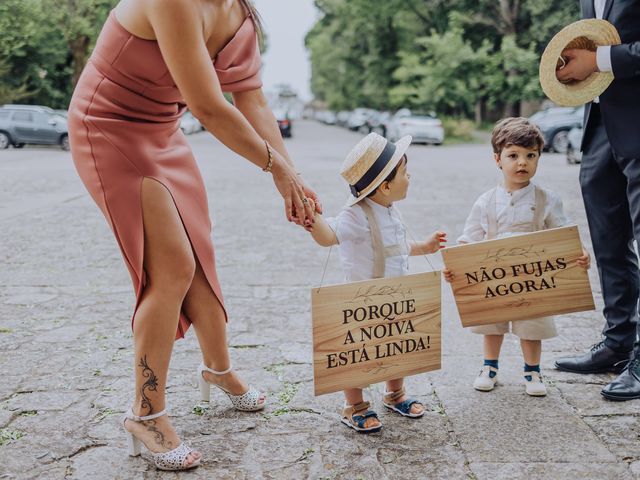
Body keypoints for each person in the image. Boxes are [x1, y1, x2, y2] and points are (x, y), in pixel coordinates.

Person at [68, 0, 320, 471]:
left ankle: (218, 371)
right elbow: (207, 105)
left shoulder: (240, 11)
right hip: (109, 128)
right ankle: (146, 412)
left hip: (164, 132)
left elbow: (252, 100)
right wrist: (277, 171)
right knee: (171, 270)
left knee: (199, 255)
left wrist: (292, 177)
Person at [305, 132, 446, 432]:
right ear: (384, 186)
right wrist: (312, 219)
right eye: (405, 174)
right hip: (362, 301)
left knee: (398, 348)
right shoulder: (355, 215)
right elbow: (328, 236)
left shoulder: (391, 211)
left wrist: (426, 246)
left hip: (395, 295)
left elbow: (398, 247)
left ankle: (395, 393)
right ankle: (354, 404)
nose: (410, 177)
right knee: (355, 354)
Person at [443, 118, 590, 396]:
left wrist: (579, 255)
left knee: (531, 325)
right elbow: (469, 237)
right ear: (498, 159)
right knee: (492, 323)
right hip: (493, 276)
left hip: (534, 278)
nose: (522, 163)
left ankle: (532, 371)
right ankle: (489, 366)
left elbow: (565, 237)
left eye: (530, 156)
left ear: (538, 158)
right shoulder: (486, 201)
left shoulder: (548, 200)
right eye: (513, 156)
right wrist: (457, 265)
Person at [554, 1, 640, 401]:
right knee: (608, 244)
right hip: (601, 127)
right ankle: (618, 342)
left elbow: (603, 54)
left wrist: (599, 59)